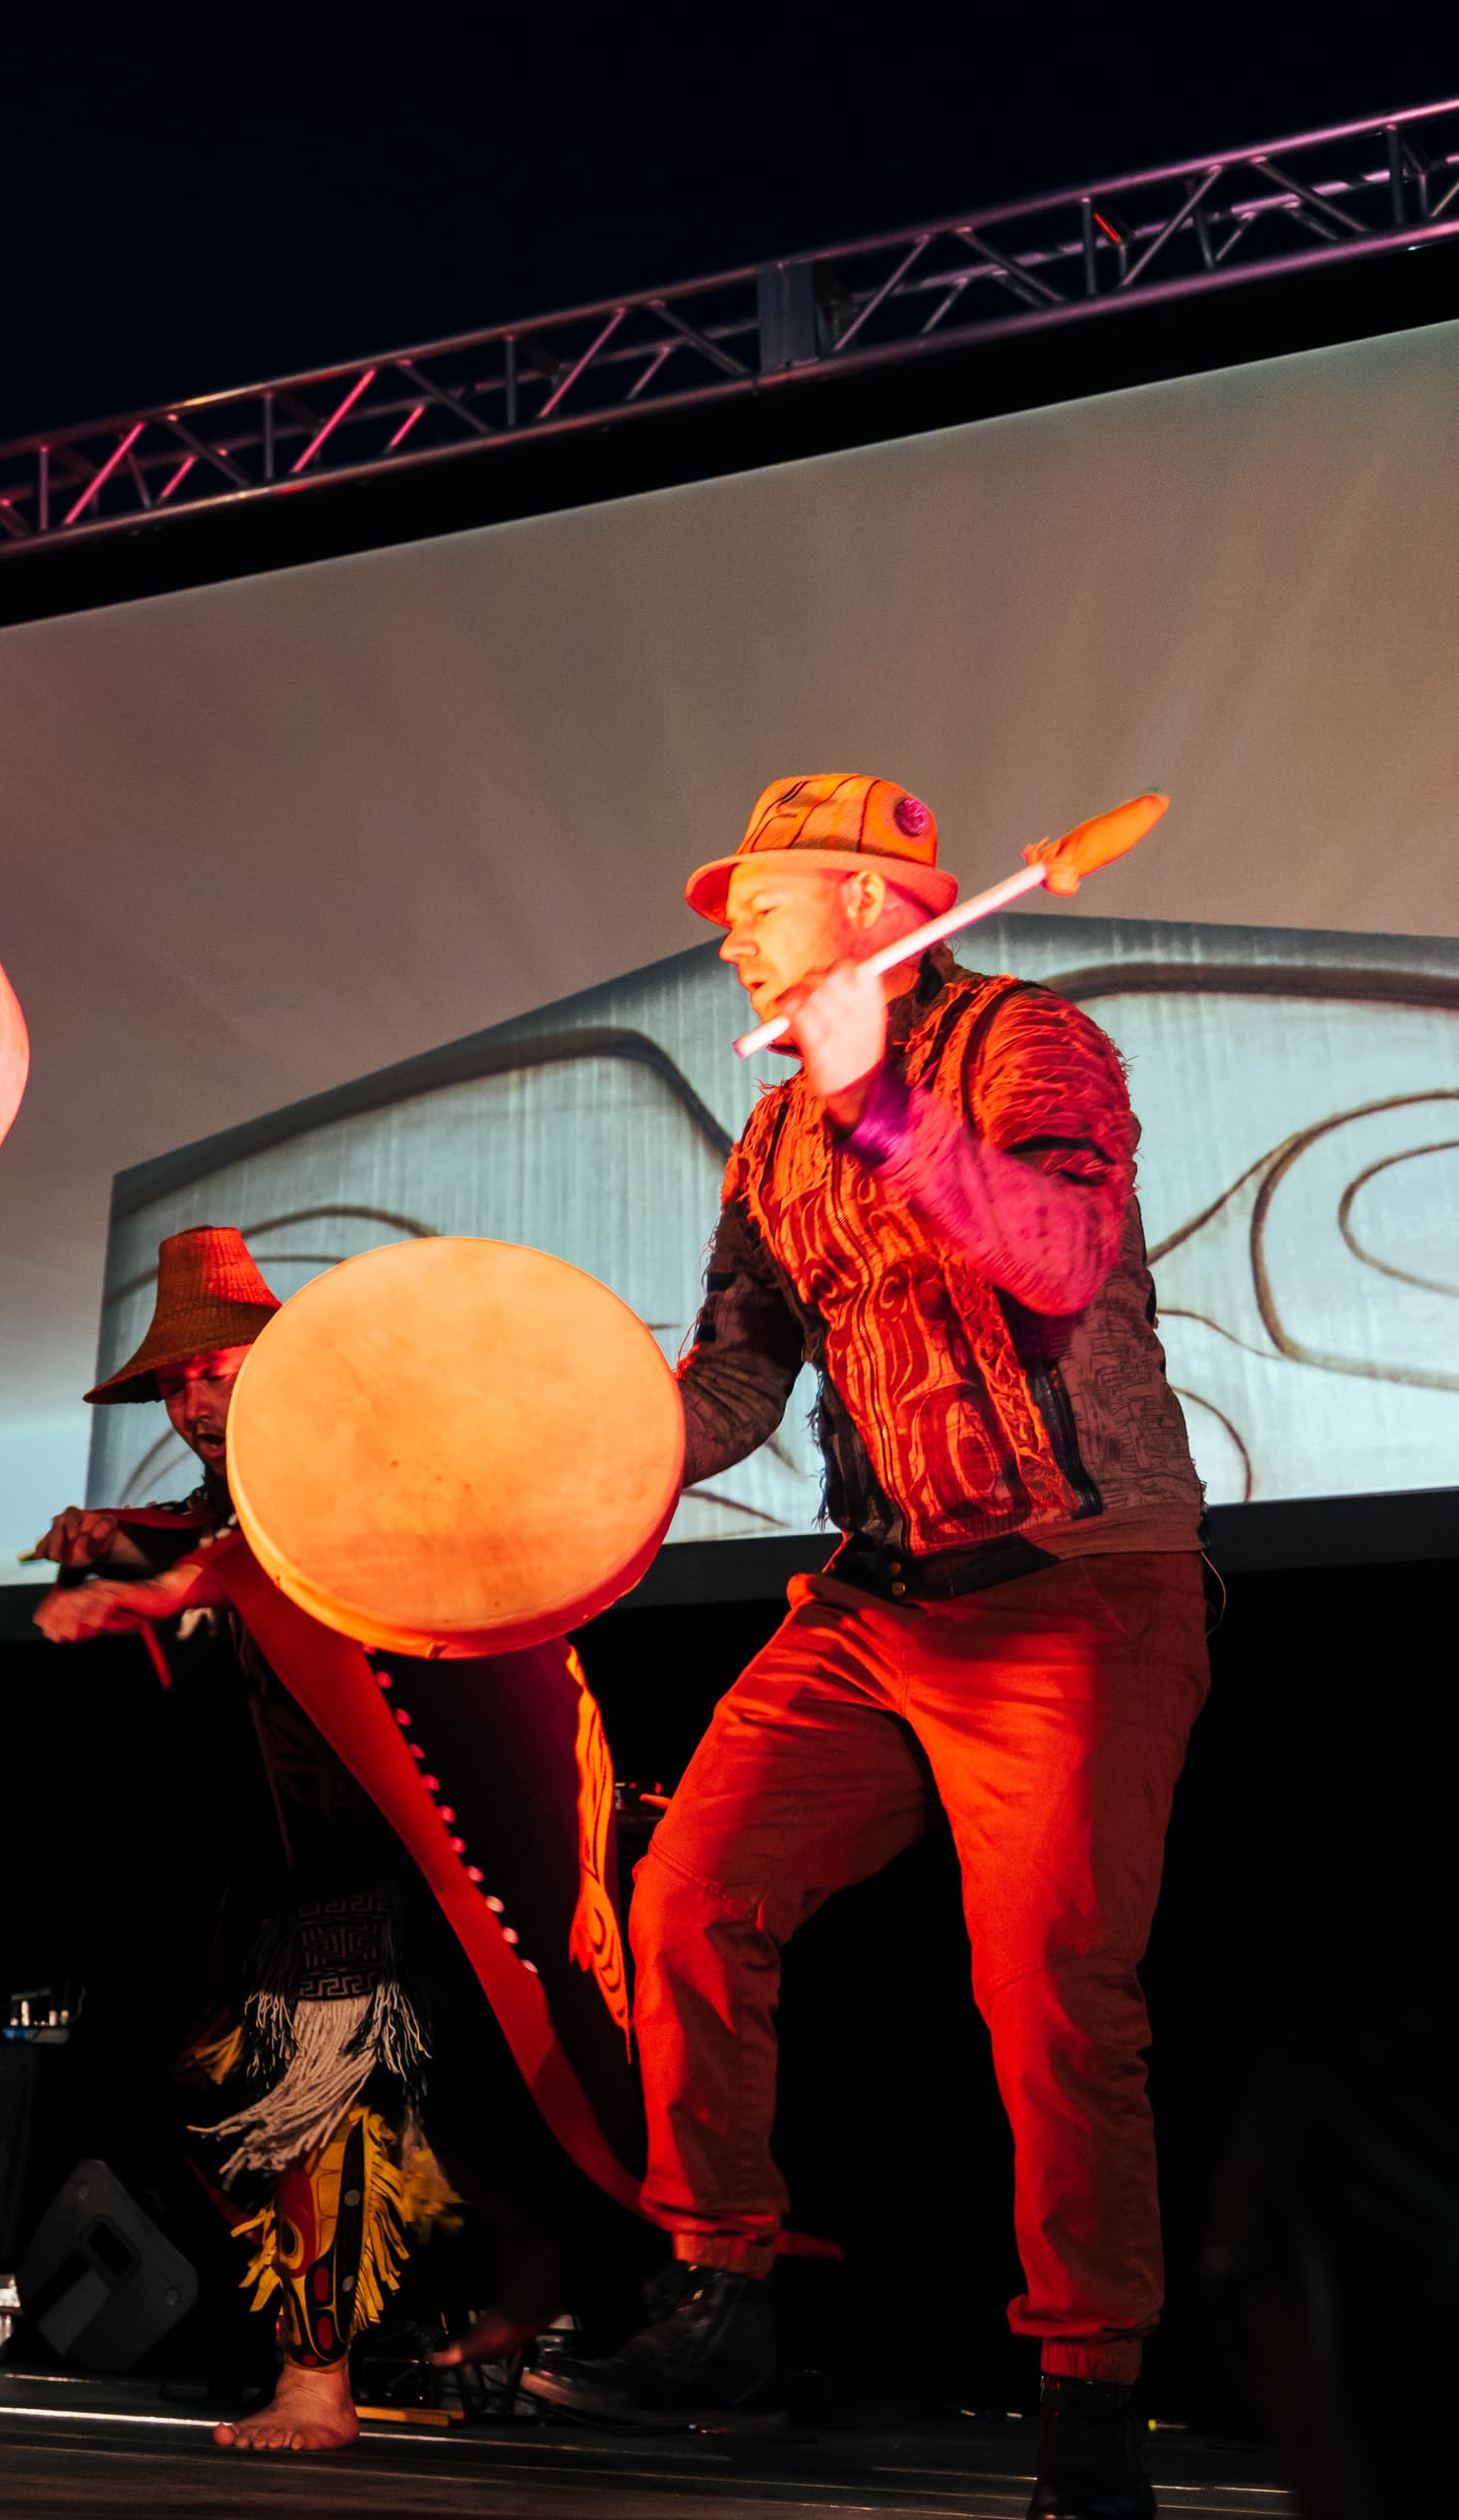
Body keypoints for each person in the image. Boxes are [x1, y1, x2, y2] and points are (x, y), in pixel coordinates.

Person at [529, 777, 1208, 2520]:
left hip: (1075, 1586)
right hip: (879, 1596)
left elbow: (1058, 1256)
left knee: (1054, 1995)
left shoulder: (1024, 1046)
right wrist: (583, 1456)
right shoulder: (770, 1140)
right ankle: (724, 2298)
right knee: (685, 1898)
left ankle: (1087, 2411)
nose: (730, 929)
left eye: (754, 899)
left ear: (866, 898)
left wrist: (879, 1093)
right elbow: (741, 1379)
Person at [37, 1228, 647, 2453]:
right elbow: (222, 1542)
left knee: (449, 2077)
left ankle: (332, 2375)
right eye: (173, 1381)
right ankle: (470, 2305)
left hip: (437, 1830)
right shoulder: (229, 1505)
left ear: (284, 1359)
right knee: (311, 2090)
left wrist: (159, 1580)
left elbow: (267, 1560)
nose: (192, 1397)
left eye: (214, 1369)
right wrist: (123, 1544)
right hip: (325, 1858)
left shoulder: (360, 1457)